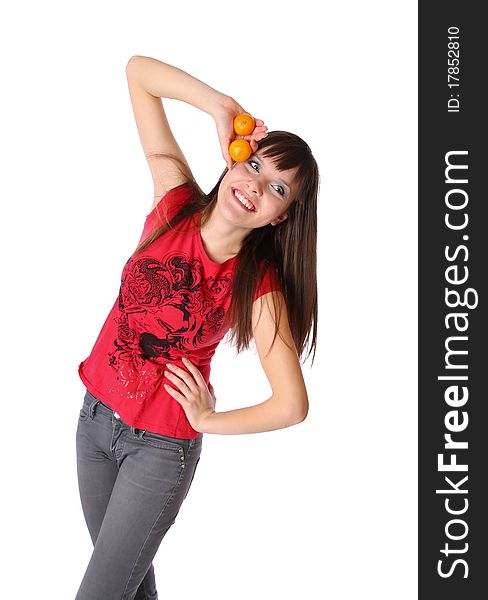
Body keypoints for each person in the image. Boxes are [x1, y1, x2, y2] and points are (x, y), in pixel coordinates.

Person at [75, 55, 320, 600]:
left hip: (159, 451)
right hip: (93, 422)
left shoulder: (257, 284)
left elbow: (291, 404)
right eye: (256, 165)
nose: (258, 187)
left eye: (279, 189)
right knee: (130, 590)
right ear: (233, 161)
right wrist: (219, 105)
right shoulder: (174, 202)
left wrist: (208, 419)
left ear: (280, 217)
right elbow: (139, 73)